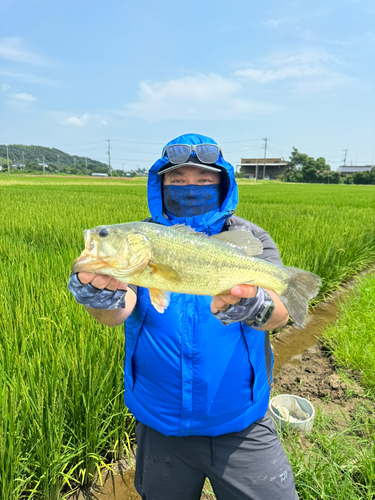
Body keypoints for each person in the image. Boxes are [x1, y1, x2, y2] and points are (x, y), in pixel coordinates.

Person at [68, 133, 298, 500]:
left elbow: (280, 315)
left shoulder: (249, 238)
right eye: (178, 180)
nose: (191, 188)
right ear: (161, 185)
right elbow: (115, 314)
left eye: (204, 180)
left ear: (223, 183)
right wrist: (97, 294)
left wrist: (257, 306)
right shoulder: (143, 238)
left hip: (241, 421)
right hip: (159, 424)